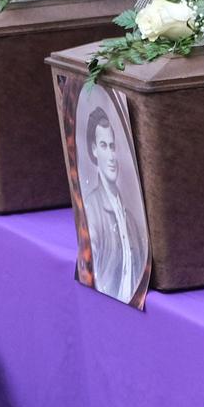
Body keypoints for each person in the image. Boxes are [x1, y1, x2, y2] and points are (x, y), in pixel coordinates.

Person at [79, 107, 147, 301]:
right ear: (94, 150)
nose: (110, 156)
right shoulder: (92, 209)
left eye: (112, 146)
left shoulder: (131, 218)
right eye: (103, 146)